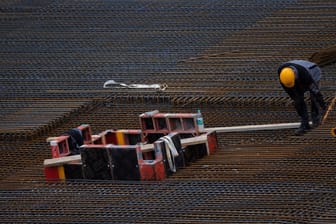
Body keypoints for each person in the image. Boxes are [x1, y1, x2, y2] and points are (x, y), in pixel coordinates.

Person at [278, 60, 327, 135]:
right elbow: (293, 95)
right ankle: (305, 124)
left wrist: (323, 106)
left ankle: (316, 120)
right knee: (298, 101)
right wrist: (297, 100)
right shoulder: (282, 73)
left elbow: (316, 91)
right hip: (296, 76)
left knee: (314, 97)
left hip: (313, 71)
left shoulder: (305, 75)